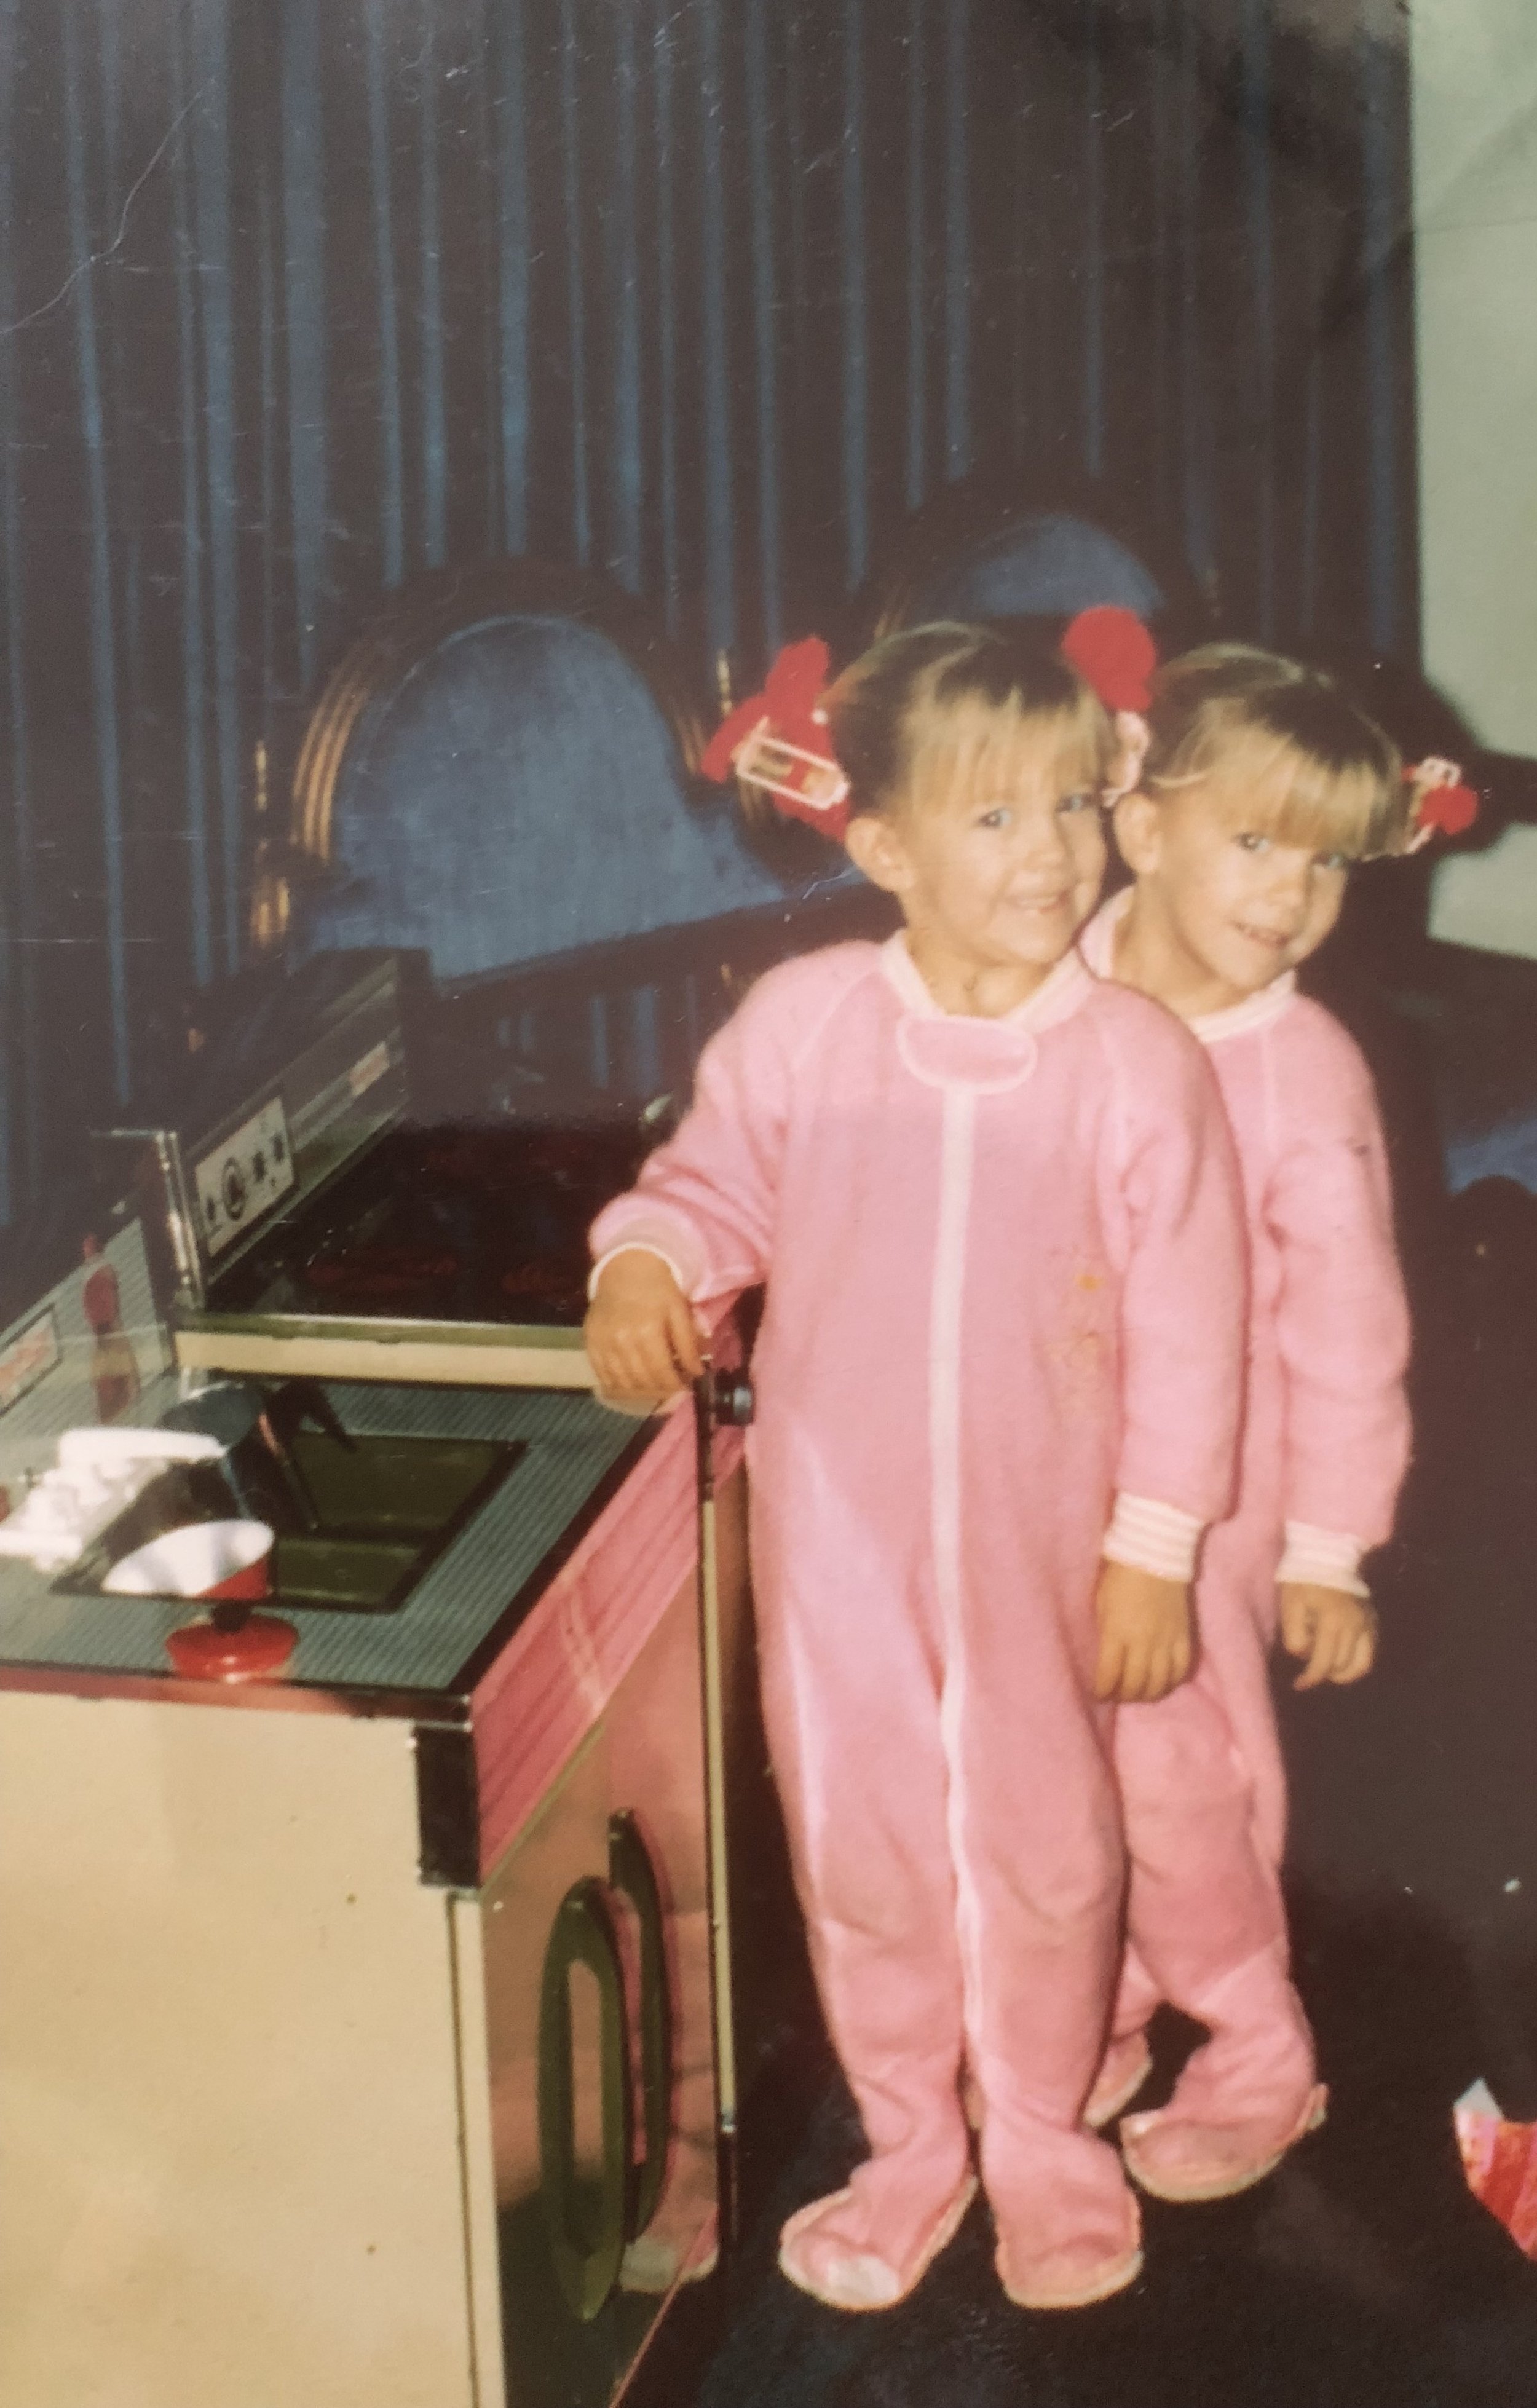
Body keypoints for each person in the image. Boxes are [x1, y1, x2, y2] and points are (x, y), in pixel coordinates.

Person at [585, 618, 1258, 2313]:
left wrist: (1153, 1546)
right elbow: (710, 1179)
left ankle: (1040, 2131)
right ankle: (905, 2141)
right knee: (864, 1848)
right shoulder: (806, 1022)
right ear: (881, 844)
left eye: (1070, 809)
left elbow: (1191, 1328)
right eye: (991, 819)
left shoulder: (1134, 1064)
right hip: (834, 1545)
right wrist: (648, 1263)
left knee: (1048, 1847)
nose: (1051, 855)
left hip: (1052, 1545)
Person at [1077, 644, 1421, 2203]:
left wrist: (1327, 1546)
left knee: (1177, 1763)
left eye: (1329, 860)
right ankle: (1106, 1989)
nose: (1292, 894)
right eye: (1256, 841)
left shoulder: (1302, 1071)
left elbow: (1351, 1331)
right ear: (1139, 829)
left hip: (1213, 1488)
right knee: (1039, 1749)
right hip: (1037, 1457)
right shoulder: (1045, 993)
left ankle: (1255, 2036)